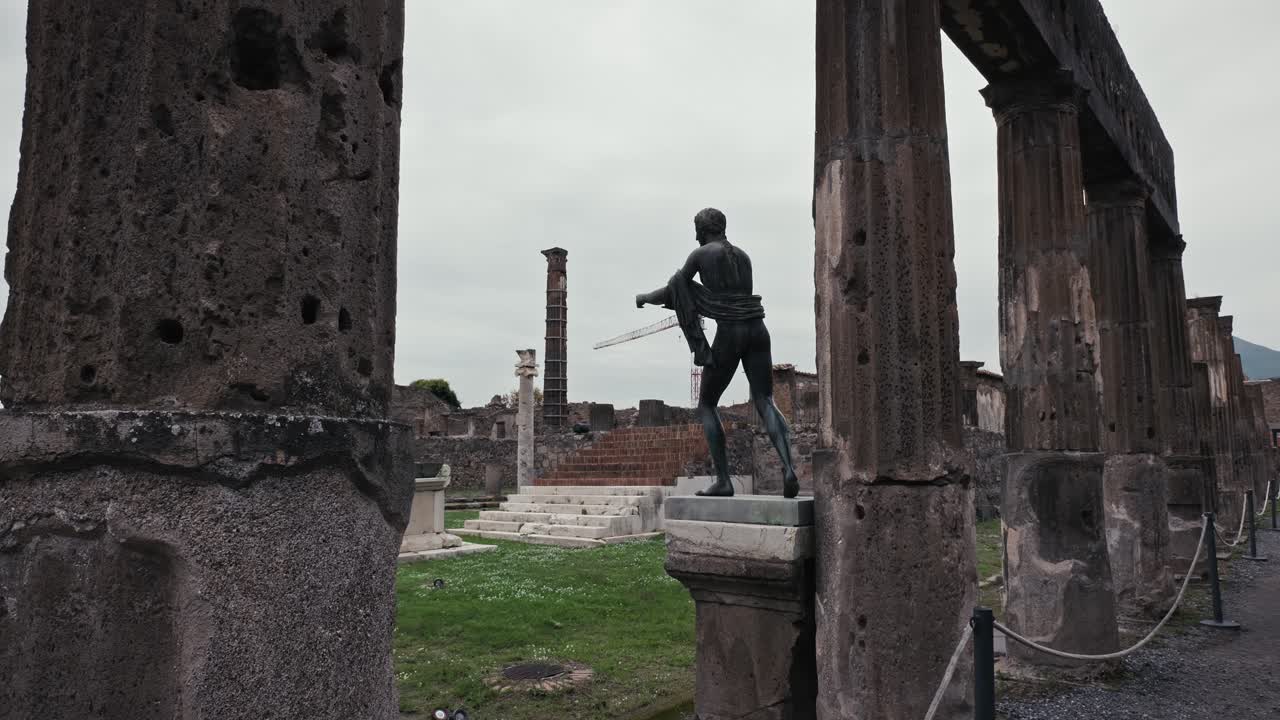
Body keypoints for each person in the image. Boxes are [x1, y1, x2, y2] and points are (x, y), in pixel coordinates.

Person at [635, 208, 799, 498]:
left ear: (701, 229)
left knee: (708, 404)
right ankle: (788, 468)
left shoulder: (701, 255)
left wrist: (645, 298)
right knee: (765, 399)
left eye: (695, 229)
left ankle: (724, 481)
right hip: (759, 330)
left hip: (731, 331)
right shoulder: (743, 255)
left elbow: (676, 290)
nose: (695, 235)